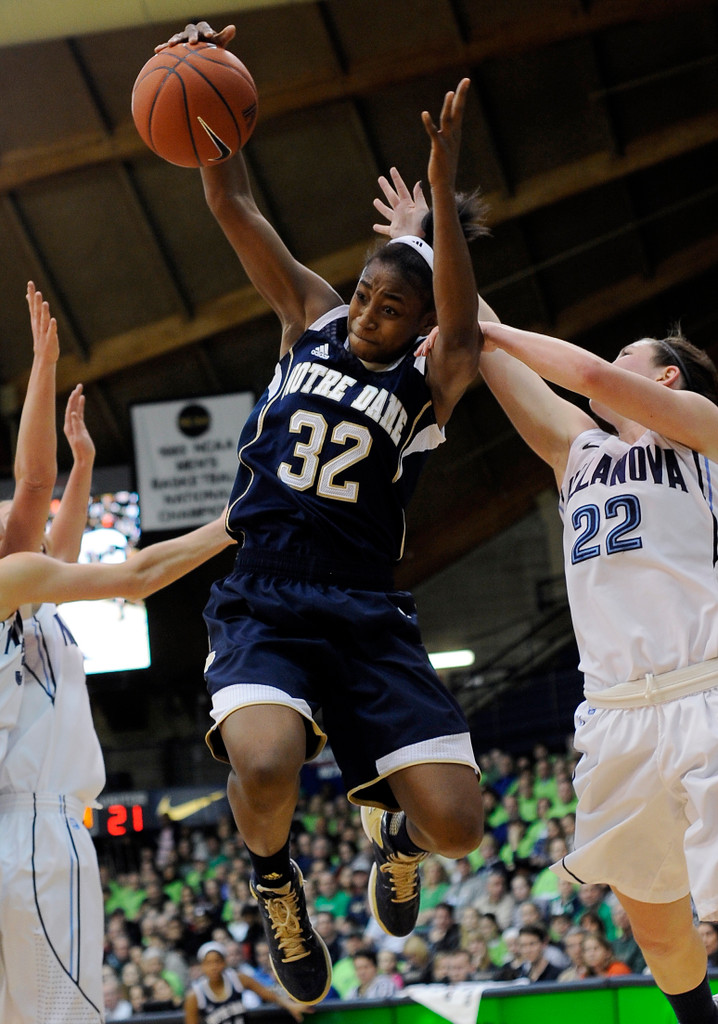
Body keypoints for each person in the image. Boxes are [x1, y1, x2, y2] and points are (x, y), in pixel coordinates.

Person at [155, 19, 485, 1008]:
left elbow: (465, 323)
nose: (365, 310)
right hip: (263, 599)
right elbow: (227, 196)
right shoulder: (308, 320)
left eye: (387, 308)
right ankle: (275, 882)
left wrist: (438, 190)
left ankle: (391, 831)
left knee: (459, 824)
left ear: (419, 326)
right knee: (264, 760)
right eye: (362, 292)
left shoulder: (434, 378)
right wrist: (205, 83)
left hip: (362, 612)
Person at [375, 165, 718, 1023]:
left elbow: (588, 376)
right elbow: (483, 335)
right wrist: (429, 240)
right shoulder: (577, 455)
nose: (612, 363)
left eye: (631, 356)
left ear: (667, 380)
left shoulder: (703, 434)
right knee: (657, 923)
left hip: (707, 690)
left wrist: (530, 344)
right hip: (616, 713)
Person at [0, 297, 234, 1024]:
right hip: (37, 835)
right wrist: (238, 519)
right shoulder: (9, 586)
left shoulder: (26, 603)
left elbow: (47, 519)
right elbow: (130, 575)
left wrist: (85, 466)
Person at [184, 942, 305, 1024]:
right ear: (202, 966)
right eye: (208, 963)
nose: (213, 967)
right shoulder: (195, 995)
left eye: (217, 961)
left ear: (224, 963)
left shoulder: (238, 979)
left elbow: (268, 994)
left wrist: (290, 1005)